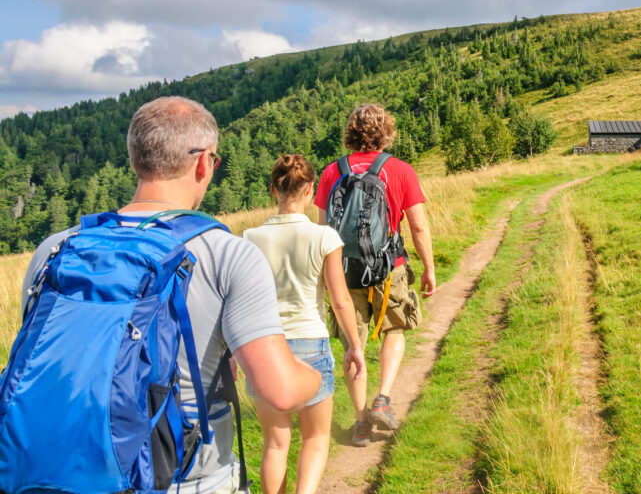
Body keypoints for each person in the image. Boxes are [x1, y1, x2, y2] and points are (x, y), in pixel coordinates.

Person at [20, 96, 323, 494]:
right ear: (204, 163)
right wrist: (315, 376)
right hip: (184, 477)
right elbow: (279, 391)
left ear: (136, 161)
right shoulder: (228, 253)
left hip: (62, 470)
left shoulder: (56, 249)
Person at [313, 103, 437, 446]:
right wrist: (428, 267)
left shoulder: (331, 172)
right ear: (387, 132)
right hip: (389, 267)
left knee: (353, 344)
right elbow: (418, 227)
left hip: (344, 272)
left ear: (350, 133)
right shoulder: (400, 170)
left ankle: (361, 423)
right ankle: (383, 398)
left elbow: (323, 233)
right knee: (394, 328)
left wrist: (326, 279)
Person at [242, 154, 365, 494]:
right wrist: (354, 346)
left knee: (274, 444)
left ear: (273, 189)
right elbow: (340, 300)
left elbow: (240, 303)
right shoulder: (324, 237)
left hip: (265, 348)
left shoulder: (250, 238)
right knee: (316, 438)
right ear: (311, 189)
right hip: (311, 343)